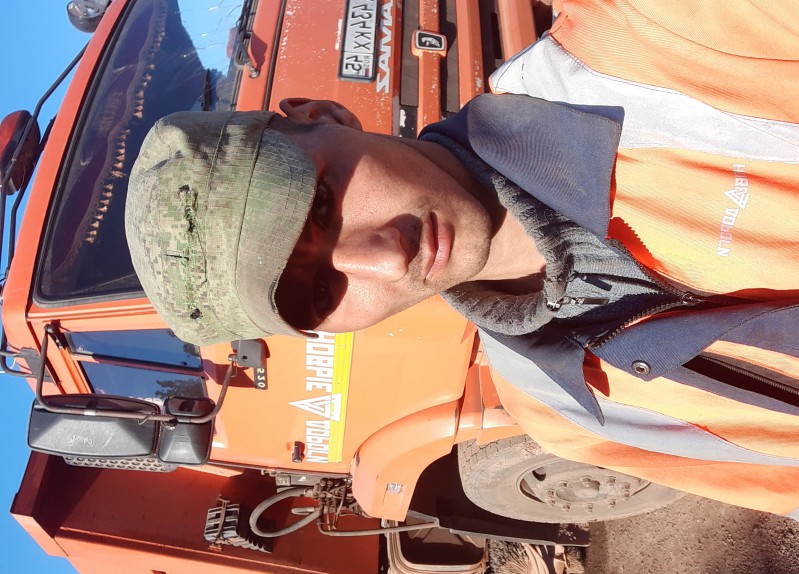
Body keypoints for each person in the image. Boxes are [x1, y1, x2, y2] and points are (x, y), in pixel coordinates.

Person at [126, 0, 799, 518]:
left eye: (321, 204)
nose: (385, 260)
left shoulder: (659, 38)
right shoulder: (563, 415)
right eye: (320, 292)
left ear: (324, 113)